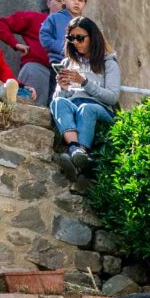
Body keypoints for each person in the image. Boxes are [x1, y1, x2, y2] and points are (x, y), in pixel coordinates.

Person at [49, 16, 120, 177]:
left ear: (92, 38)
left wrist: (84, 82)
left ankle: (81, 151)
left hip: (100, 109)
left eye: (80, 38)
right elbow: (58, 101)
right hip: (73, 104)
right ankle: (75, 150)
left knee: (86, 108)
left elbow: (113, 97)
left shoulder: (108, 63)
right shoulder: (68, 63)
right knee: (58, 102)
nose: (75, 42)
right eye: (71, 38)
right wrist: (63, 88)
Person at [0, 0, 61, 108]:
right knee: (30, 107)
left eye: (67, 1)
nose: (63, 4)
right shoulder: (35, 18)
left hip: (62, 74)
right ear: (49, 3)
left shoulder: (74, 27)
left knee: (57, 112)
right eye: (59, 0)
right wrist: (15, 44)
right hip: (37, 68)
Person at [39, 0, 88, 66]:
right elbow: (44, 37)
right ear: (63, 0)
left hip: (81, 65)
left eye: (80, 0)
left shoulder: (87, 23)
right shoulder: (54, 17)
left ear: (85, 4)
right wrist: (62, 47)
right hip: (59, 62)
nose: (76, 2)